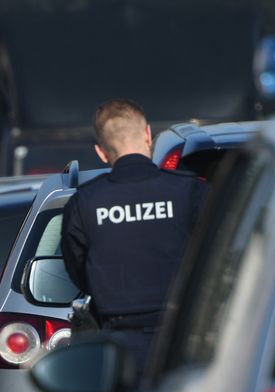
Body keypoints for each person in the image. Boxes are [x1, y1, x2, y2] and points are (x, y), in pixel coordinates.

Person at [60, 98, 207, 367]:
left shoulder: (85, 201)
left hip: (119, 343)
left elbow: (77, 269)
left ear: (101, 152)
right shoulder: (189, 191)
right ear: (148, 135)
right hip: (184, 336)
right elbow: (218, 252)